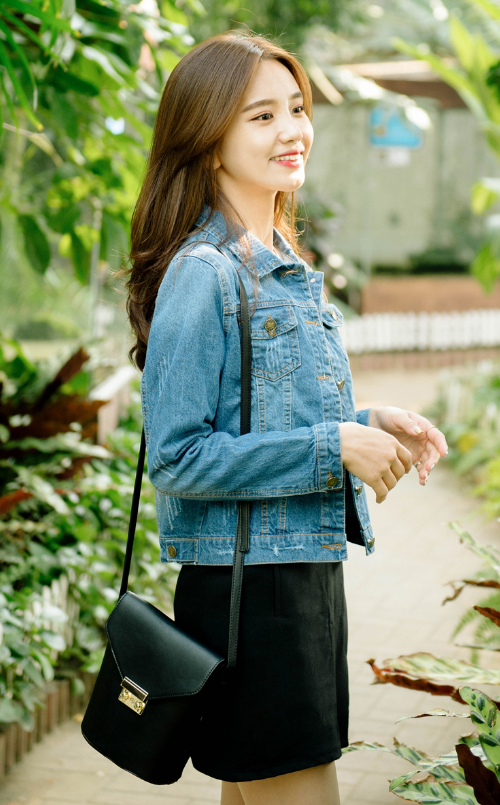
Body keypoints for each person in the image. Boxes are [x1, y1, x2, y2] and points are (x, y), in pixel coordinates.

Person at [126, 31, 448, 805]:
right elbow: (176, 455)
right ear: (208, 139)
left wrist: (371, 419)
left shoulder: (278, 262)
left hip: (295, 577)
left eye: (296, 110)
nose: (292, 130)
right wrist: (334, 444)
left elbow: (268, 416)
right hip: (251, 596)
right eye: (260, 116)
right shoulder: (203, 273)